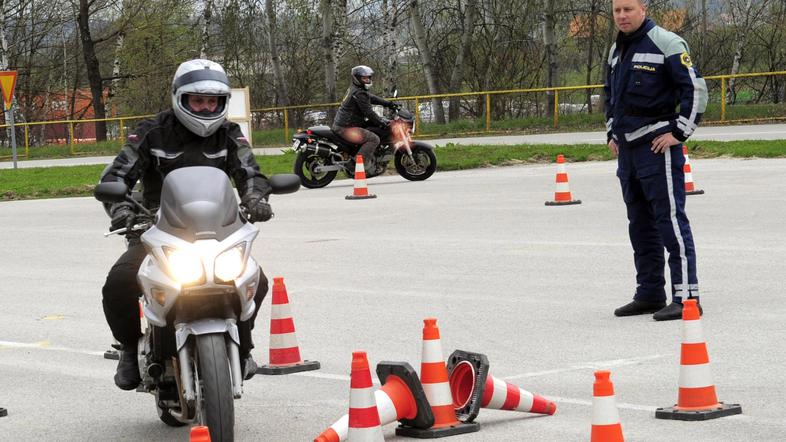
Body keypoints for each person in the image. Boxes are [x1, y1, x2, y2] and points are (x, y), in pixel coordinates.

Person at [100, 59, 274, 390]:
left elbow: (250, 172)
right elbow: (116, 176)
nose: (206, 108)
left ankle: (245, 348)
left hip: (218, 233)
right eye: (198, 100)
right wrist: (123, 210)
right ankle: (127, 347)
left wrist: (256, 199)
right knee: (119, 283)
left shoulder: (229, 134)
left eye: (213, 101)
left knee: (257, 281)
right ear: (180, 98)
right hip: (157, 230)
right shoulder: (152, 132)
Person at [604, 0, 708, 321]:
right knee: (640, 225)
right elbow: (611, 95)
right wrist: (612, 133)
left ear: (643, 9)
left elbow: (696, 90)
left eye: (628, 9)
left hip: (657, 149)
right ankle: (649, 293)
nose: (622, 15)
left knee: (670, 222)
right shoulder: (615, 50)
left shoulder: (668, 43)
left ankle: (686, 297)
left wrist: (679, 132)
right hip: (628, 152)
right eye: (617, 10)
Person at [332, 65, 399, 174]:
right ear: (356, 78)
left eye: (368, 78)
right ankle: (356, 166)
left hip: (347, 125)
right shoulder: (358, 92)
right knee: (374, 139)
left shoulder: (357, 90)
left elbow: (371, 98)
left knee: (372, 127)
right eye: (364, 78)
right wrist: (382, 122)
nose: (367, 80)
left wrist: (389, 103)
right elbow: (369, 112)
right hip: (347, 128)